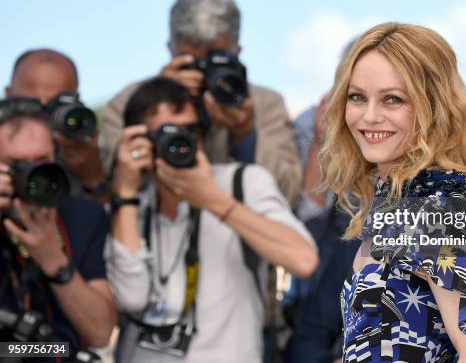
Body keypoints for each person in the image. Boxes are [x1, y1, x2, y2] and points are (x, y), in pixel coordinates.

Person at [319, 22, 466, 362]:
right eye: (357, 97)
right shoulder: (397, 203)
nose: (369, 116)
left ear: (434, 106)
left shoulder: (436, 211)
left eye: (393, 99)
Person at [106, 77, 317, 362]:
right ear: (138, 141)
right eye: (163, 134)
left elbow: (303, 260)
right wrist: (126, 194)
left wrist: (210, 199)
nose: (178, 142)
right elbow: (131, 297)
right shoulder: (132, 203)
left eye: (189, 131)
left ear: (204, 135)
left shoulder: (243, 182)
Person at [100, 0, 302, 204]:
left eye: (214, 61)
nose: (203, 74)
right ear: (171, 50)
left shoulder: (265, 104)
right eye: (191, 62)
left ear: (237, 52)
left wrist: (244, 135)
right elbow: (112, 188)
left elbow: (288, 195)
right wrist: (157, 103)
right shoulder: (126, 104)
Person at [0, 98, 115, 357]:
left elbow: (100, 333)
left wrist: (53, 260)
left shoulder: (83, 215)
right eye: (16, 165)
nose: (32, 175)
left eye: (42, 161)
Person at [5, 49, 109, 200]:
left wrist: (94, 178)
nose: (47, 118)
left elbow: (102, 220)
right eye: (35, 106)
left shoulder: (89, 152)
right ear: (9, 95)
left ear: (76, 99)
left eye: (57, 106)